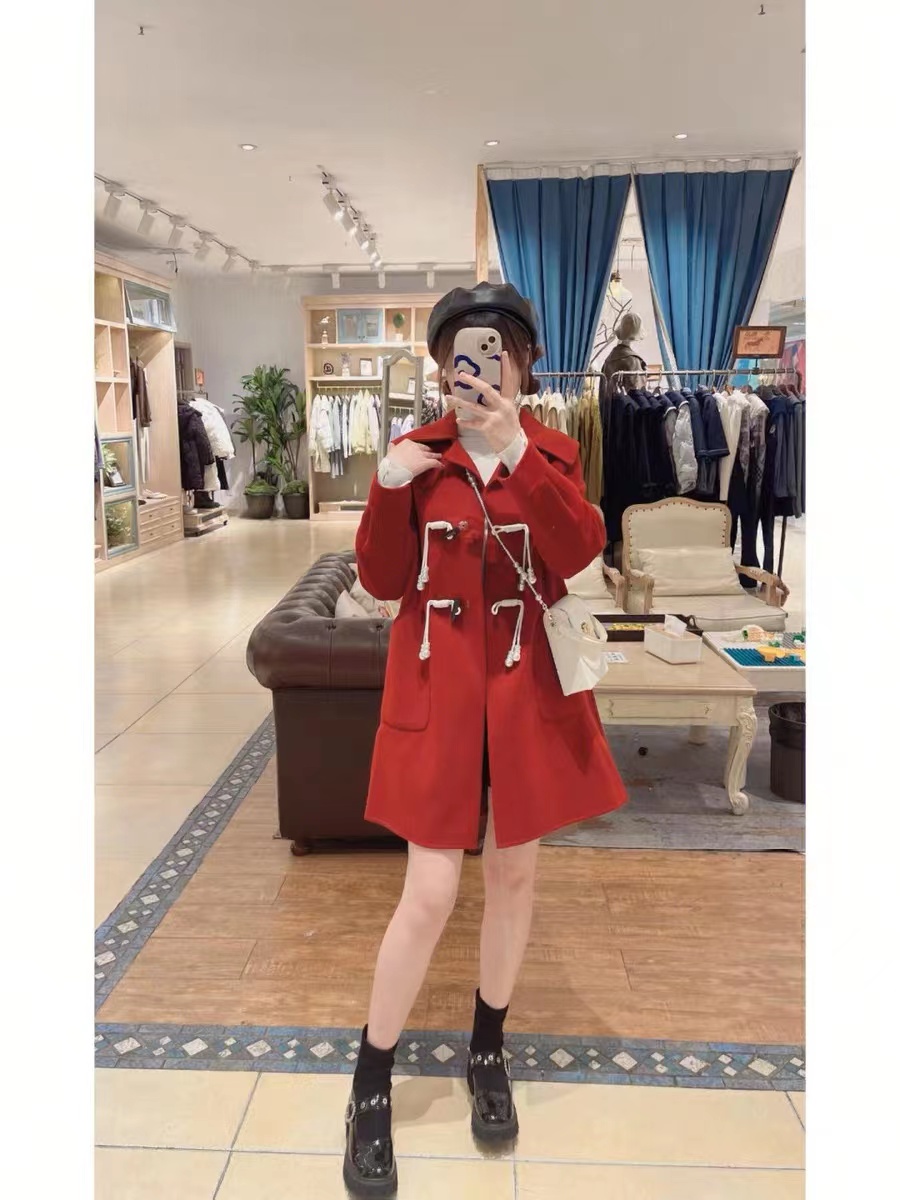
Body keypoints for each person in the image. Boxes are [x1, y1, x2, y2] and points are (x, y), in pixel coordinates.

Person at [344, 282, 628, 1196]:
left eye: (496, 352)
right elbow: (383, 579)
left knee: (514, 876)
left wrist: (516, 456)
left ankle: (488, 1047)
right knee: (430, 892)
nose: (477, 370)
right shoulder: (415, 458)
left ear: (525, 365)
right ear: (440, 366)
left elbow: (579, 554)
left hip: (523, 693)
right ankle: (371, 1079)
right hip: (437, 692)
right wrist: (386, 490)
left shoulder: (551, 453)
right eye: (461, 354)